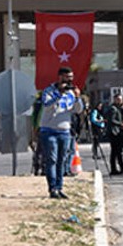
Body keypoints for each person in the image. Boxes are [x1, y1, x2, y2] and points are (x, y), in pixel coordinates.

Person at [38, 67, 84, 198]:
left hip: (64, 131)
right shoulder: (49, 90)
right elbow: (46, 104)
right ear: (60, 77)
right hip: (49, 130)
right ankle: (52, 188)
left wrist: (77, 97)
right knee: (51, 159)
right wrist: (59, 93)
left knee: (62, 160)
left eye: (71, 77)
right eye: (67, 77)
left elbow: (78, 110)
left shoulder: (70, 93)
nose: (70, 80)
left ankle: (59, 187)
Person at [106, 94, 123, 175]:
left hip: (117, 132)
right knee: (114, 151)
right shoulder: (113, 108)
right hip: (113, 132)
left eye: (121, 99)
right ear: (115, 99)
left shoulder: (118, 108)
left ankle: (122, 167)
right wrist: (120, 124)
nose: (120, 101)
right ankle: (113, 169)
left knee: (118, 151)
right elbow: (111, 120)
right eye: (118, 99)